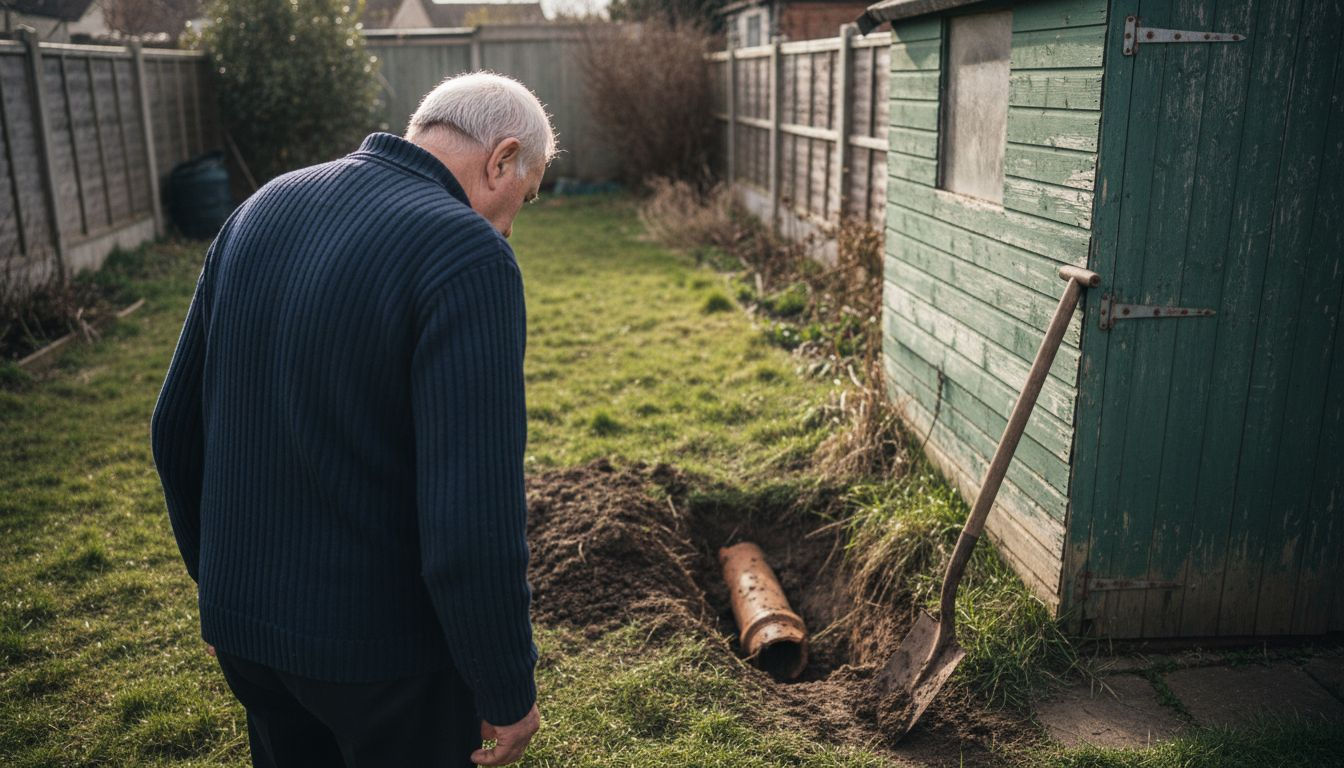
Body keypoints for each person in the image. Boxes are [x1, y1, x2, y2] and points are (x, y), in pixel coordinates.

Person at [150, 71, 556, 767]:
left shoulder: (263, 205)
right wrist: (506, 686)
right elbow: (471, 514)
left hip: (249, 640)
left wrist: (218, 589)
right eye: (524, 195)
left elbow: (175, 431)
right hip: (386, 666)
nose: (511, 224)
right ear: (501, 158)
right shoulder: (467, 254)